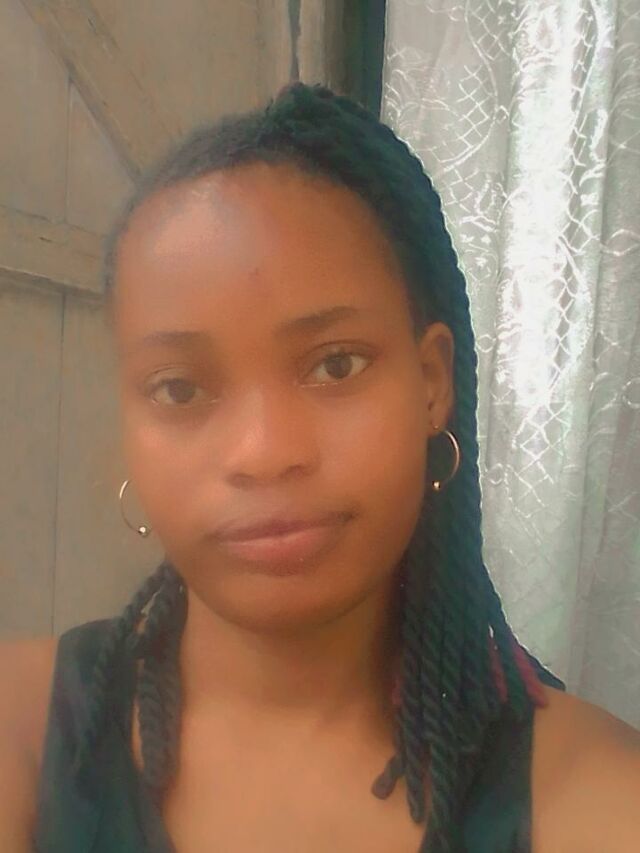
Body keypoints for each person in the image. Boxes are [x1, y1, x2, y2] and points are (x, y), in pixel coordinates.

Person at [1, 81, 639, 853]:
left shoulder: (593, 796)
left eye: (336, 365)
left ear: (431, 382)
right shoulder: (22, 733)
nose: (265, 451)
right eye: (180, 388)